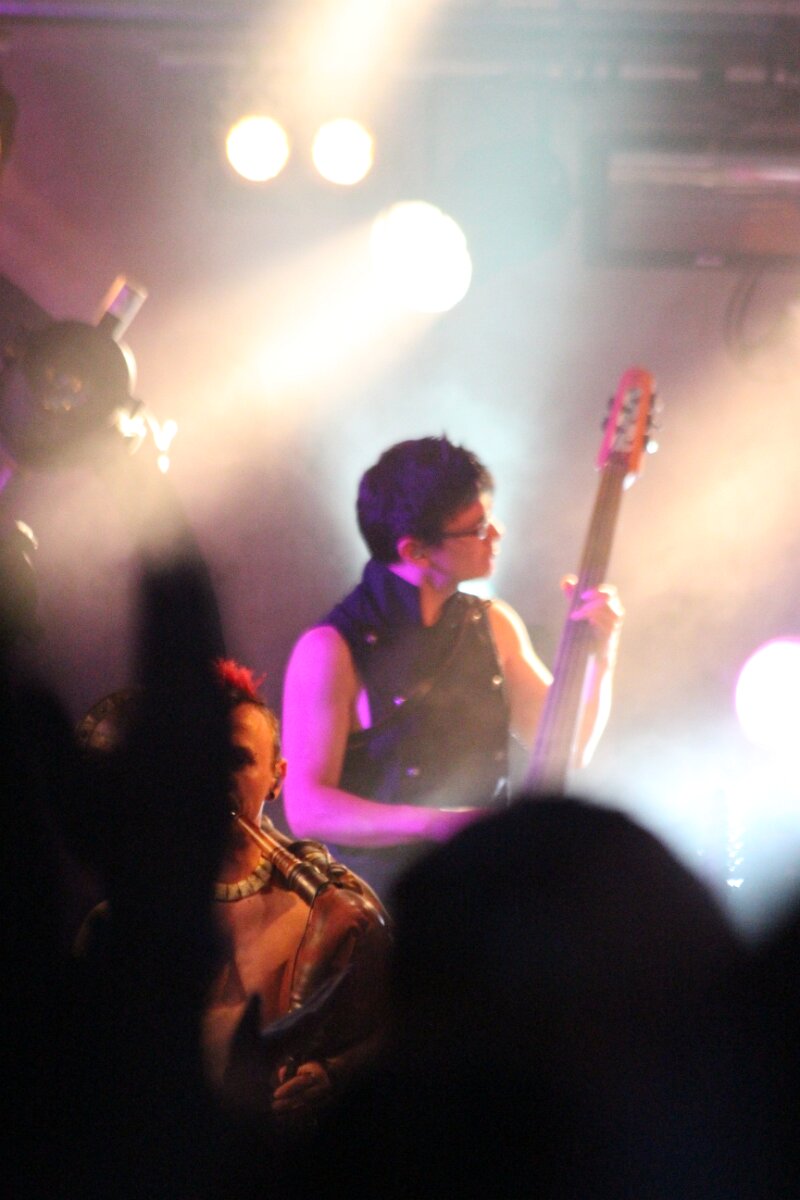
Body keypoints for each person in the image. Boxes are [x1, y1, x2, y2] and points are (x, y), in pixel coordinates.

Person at [281, 435, 624, 896]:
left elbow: (570, 745)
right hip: (384, 907)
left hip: (486, 893)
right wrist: (437, 824)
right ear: (416, 551)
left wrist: (601, 652)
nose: (497, 532)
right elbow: (307, 808)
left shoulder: (495, 624)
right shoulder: (329, 649)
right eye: (478, 527)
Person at [77, 657, 390, 1130]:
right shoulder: (120, 921)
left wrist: (335, 1074)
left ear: (277, 777)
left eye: (238, 759)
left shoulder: (332, 907)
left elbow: (400, 1026)